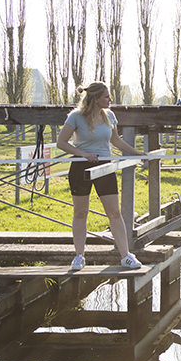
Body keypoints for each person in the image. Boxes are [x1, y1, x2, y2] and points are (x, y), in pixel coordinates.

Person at [56, 81, 145, 270]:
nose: (110, 99)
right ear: (96, 99)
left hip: (104, 167)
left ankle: (125, 256)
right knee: (80, 212)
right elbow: (61, 143)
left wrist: (137, 153)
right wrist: (83, 155)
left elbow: (116, 141)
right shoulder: (76, 117)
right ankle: (79, 256)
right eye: (106, 96)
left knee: (114, 213)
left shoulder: (110, 116)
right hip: (81, 167)